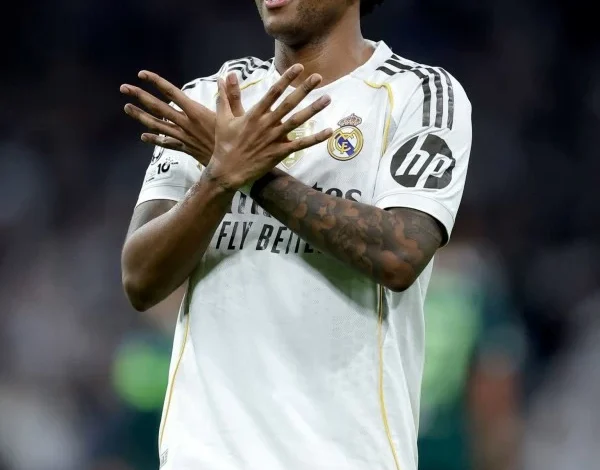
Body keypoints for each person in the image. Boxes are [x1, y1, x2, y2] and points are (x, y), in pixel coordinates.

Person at [119, 0, 472, 468]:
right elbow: (140, 280)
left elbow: (400, 254)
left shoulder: (419, 95)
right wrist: (218, 179)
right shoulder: (208, 101)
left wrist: (246, 172)